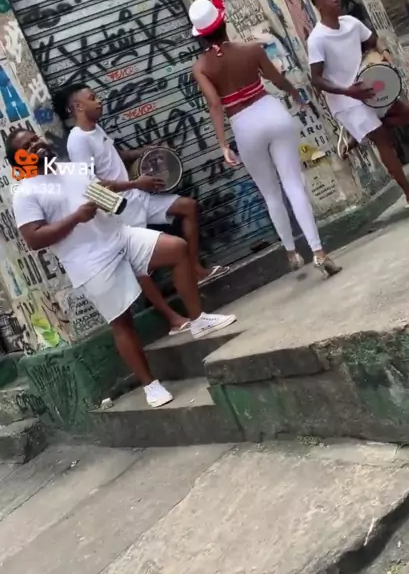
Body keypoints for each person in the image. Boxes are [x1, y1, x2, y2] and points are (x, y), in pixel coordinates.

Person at [6, 128, 236, 408]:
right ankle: (151, 385)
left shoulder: (71, 169)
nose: (36, 145)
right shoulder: (26, 193)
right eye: (27, 146)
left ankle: (198, 320)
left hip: (120, 236)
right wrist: (76, 218)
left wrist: (115, 196)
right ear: (19, 160)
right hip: (89, 260)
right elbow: (34, 238)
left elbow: (102, 195)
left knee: (177, 249)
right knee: (122, 322)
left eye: (35, 139)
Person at [52, 84, 230, 334]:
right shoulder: (78, 141)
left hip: (137, 196)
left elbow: (114, 155)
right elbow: (92, 186)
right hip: (121, 208)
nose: (99, 101)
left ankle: (197, 271)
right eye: (92, 98)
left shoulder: (95, 128)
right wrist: (135, 183)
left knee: (188, 207)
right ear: (78, 107)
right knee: (140, 268)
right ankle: (173, 319)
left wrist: (143, 152)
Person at [189, 0, 341, 278]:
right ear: (223, 22)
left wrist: (223, 144)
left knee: (271, 193)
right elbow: (277, 79)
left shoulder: (200, 68)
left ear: (200, 35)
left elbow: (215, 105)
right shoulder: (252, 49)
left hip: (244, 126)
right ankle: (319, 252)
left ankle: (292, 253)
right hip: (272, 113)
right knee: (294, 185)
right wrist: (296, 94)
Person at [308, 0, 409, 209]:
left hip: (366, 89)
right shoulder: (317, 39)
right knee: (383, 140)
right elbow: (316, 79)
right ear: (318, 5)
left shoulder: (351, 23)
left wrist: (384, 52)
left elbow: (373, 39)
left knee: (408, 111)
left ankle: (358, 134)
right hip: (345, 99)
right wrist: (348, 91)